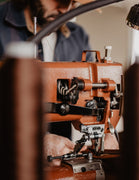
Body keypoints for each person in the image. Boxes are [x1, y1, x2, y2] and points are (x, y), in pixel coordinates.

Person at [0, 0, 119, 166]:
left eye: (73, 2)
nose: (66, 9)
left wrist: (104, 131)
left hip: (57, 161)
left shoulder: (77, 35)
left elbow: (90, 96)